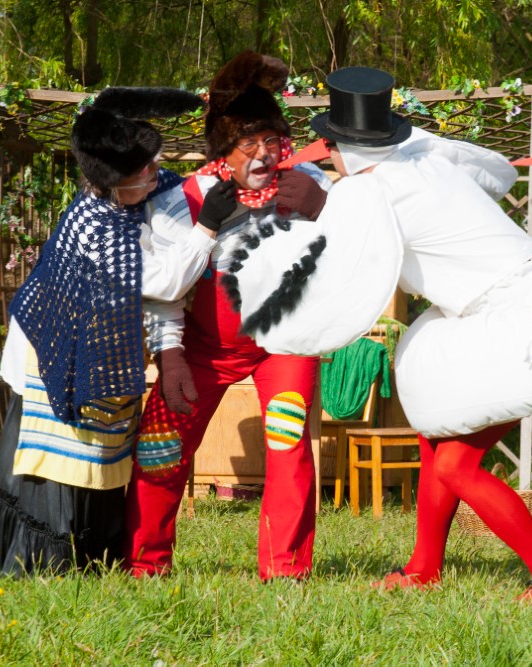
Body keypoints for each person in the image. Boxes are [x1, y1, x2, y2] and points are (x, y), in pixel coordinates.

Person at [224, 67, 532, 603]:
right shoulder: (423, 158)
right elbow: (494, 173)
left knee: (456, 463)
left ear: (349, 147)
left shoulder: (369, 192)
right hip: (526, 294)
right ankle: (423, 566)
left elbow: (352, 281)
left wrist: (319, 211)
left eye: (331, 144)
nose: (326, 154)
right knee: (436, 440)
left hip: (515, 318)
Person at [0, 87, 216, 576]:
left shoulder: (136, 200)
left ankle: (93, 561)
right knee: (58, 468)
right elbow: (165, 280)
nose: (155, 171)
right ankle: (41, 565)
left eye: (153, 162)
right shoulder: (96, 226)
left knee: (100, 462)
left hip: (102, 358)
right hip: (56, 359)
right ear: (112, 183)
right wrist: (207, 229)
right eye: (143, 169)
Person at [124, 51, 331, 582]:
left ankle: (285, 570)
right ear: (224, 148)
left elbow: (364, 239)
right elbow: (166, 289)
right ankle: (146, 563)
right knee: (160, 447)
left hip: (284, 345)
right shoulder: (183, 197)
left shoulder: (307, 180)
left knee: (287, 449)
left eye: (272, 141)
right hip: (201, 350)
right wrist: (169, 357)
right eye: (249, 144)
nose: (265, 155)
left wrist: (329, 207)